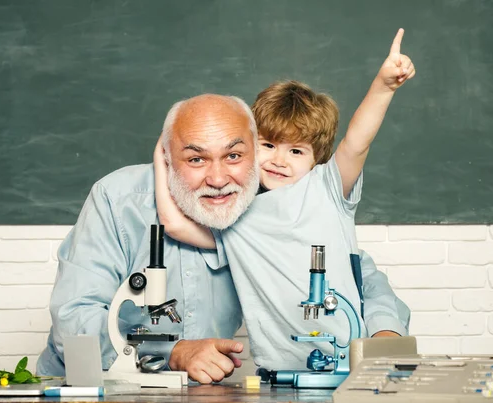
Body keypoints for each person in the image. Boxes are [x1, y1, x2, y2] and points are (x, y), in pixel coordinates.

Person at [154, 29, 414, 370]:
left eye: (295, 150)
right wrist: (164, 155)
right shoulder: (235, 218)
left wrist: (384, 85)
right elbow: (173, 223)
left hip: (350, 360)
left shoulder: (327, 188)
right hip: (279, 372)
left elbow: (357, 142)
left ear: (316, 158)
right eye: (269, 145)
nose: (279, 160)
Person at [37, 94, 260, 383]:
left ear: (257, 152)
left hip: (195, 392)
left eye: (233, 156)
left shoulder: (263, 214)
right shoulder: (117, 200)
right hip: (89, 388)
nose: (218, 180)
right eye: (196, 159)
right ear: (166, 159)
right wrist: (173, 351)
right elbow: (73, 321)